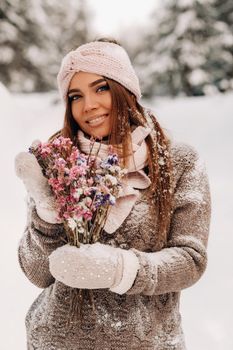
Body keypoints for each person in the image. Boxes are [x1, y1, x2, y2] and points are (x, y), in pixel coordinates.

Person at [15, 38, 211, 350]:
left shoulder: (178, 163)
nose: (88, 105)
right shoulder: (58, 162)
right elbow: (38, 273)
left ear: (126, 89)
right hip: (57, 341)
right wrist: (46, 214)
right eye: (75, 96)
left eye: (101, 87)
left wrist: (123, 269)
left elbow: (191, 260)